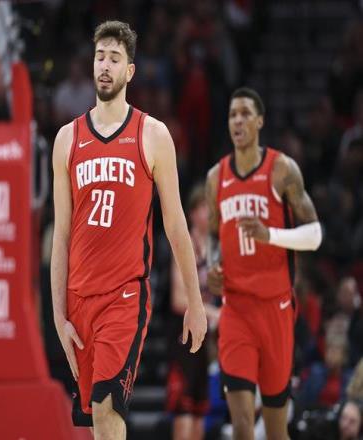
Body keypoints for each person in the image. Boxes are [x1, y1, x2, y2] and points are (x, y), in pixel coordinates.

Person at [51, 20, 207, 440]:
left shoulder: (153, 135)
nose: (105, 65)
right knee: (96, 425)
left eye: (114, 59)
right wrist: (58, 314)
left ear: (130, 71)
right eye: (100, 57)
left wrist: (195, 303)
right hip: (79, 298)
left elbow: (176, 225)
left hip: (124, 296)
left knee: (108, 408)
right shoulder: (67, 139)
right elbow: (61, 236)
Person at [205, 87, 322, 439]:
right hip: (236, 310)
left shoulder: (282, 169)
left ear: (259, 121)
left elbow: (315, 234)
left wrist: (269, 235)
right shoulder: (216, 177)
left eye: (244, 113)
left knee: (275, 430)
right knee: (241, 427)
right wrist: (213, 266)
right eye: (232, 115)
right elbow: (213, 235)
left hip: (276, 309)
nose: (237, 121)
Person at [165, 184, 220, 440]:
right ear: (193, 213)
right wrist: (212, 312)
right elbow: (178, 300)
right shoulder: (183, 243)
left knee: (200, 413)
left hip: (204, 336)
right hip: (183, 334)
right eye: (205, 208)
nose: (210, 213)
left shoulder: (215, 248)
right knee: (184, 411)